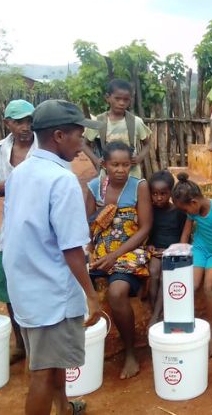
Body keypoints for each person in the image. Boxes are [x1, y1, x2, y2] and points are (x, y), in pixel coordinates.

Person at [1, 100, 102, 415]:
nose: (82, 145)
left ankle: (64, 407)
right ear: (59, 135)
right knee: (42, 373)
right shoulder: (63, 180)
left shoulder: (21, 173)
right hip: (52, 291)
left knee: (52, 361)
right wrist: (91, 294)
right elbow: (71, 247)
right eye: (78, 136)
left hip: (27, 287)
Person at [85, 141, 153, 379]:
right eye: (115, 164)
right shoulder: (94, 187)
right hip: (101, 253)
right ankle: (82, 352)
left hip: (130, 250)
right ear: (104, 164)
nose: (121, 169)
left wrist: (114, 256)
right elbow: (87, 225)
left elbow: (144, 229)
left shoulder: (139, 186)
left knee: (117, 292)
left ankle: (130, 353)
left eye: (125, 164)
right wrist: (92, 252)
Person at [0, 99, 38, 363]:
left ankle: (38, 346)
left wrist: (16, 184)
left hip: (41, 229)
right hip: (11, 227)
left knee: (38, 285)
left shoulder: (44, 146)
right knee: (9, 287)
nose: (25, 127)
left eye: (29, 120)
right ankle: (20, 344)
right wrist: (15, 184)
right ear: (8, 123)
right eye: (19, 122)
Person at [174, 173, 212, 357]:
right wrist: (182, 253)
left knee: (209, 287)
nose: (186, 213)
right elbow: (186, 234)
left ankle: (210, 332)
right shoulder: (192, 213)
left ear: (193, 202)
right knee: (191, 285)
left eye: (185, 209)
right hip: (200, 249)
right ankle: (186, 325)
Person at [82, 79, 151, 179]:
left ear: (130, 100)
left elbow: (148, 144)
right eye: (117, 99)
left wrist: (139, 157)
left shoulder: (136, 122)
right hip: (107, 177)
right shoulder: (99, 121)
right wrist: (96, 160)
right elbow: (84, 144)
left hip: (132, 176)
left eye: (126, 99)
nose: (122, 103)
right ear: (107, 98)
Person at [146, 170, 187, 327]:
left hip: (173, 252)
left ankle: (157, 315)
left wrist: (170, 250)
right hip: (156, 251)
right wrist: (149, 245)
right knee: (154, 274)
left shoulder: (178, 212)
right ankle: (154, 312)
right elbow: (147, 232)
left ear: (170, 192)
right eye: (155, 194)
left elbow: (184, 236)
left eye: (163, 193)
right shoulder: (150, 210)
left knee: (166, 277)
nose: (158, 198)